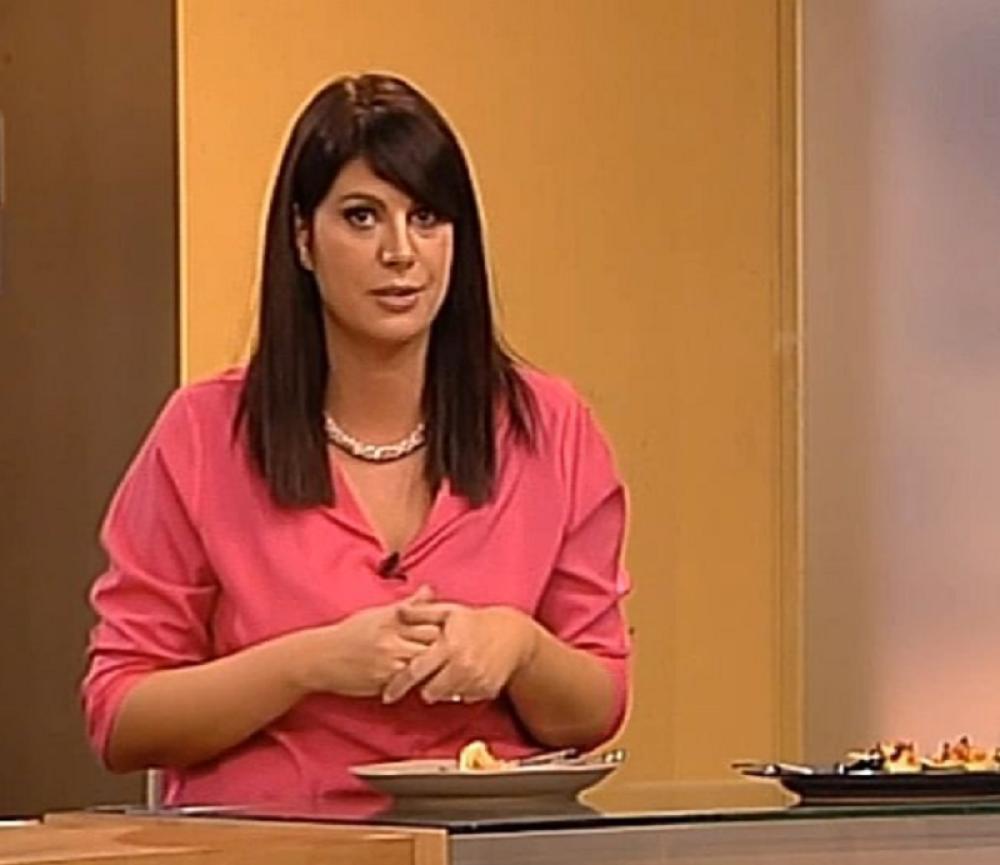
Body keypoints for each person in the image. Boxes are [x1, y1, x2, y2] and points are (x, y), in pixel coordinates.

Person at [82, 73, 631, 807]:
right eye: (363, 217)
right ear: (303, 238)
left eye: (426, 217)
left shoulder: (552, 426)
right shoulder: (204, 433)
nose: (400, 252)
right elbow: (121, 717)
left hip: (483, 843)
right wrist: (311, 662)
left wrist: (521, 647)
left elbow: (597, 709)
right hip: (270, 844)